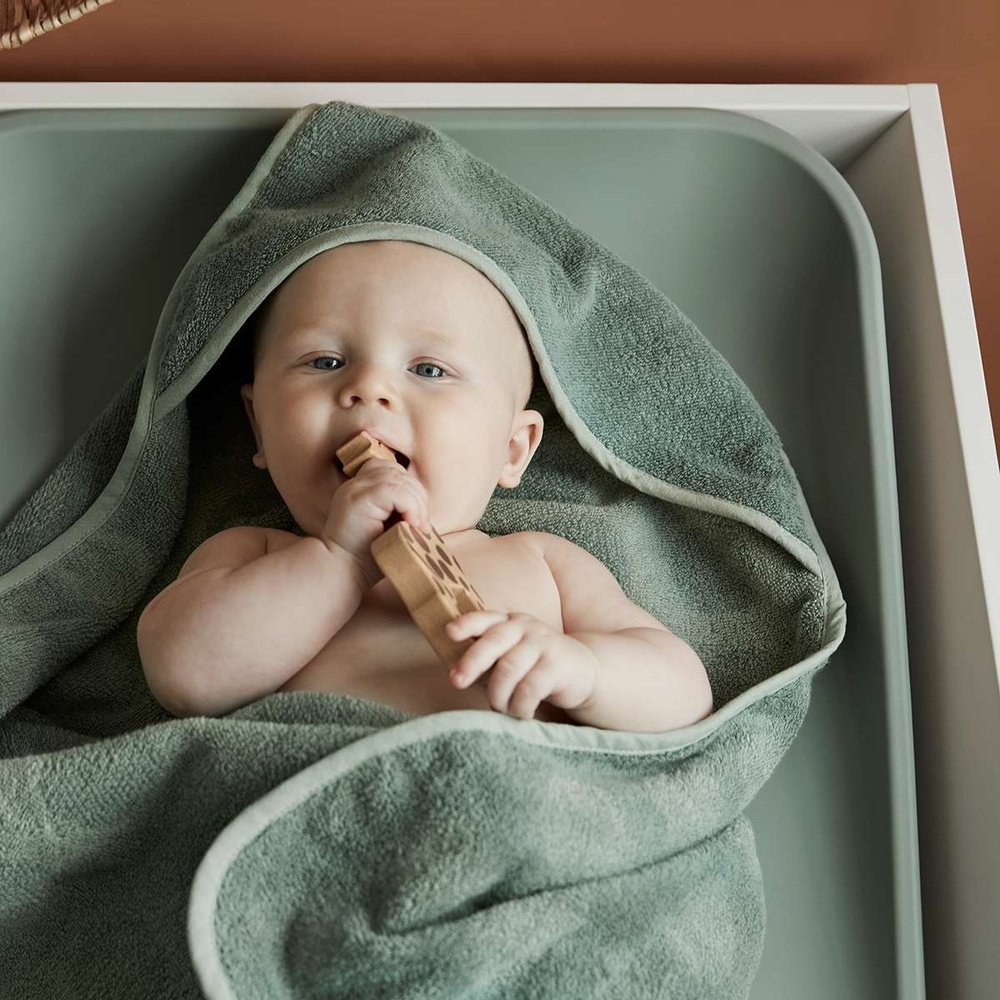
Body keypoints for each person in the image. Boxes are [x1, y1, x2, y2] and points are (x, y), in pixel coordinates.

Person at [137, 240, 713, 732]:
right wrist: (339, 561)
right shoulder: (252, 555)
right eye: (325, 361)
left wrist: (584, 672)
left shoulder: (543, 562)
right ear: (260, 425)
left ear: (511, 451)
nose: (370, 388)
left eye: (429, 370)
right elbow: (182, 677)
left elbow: (684, 691)